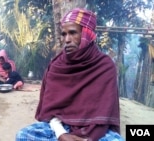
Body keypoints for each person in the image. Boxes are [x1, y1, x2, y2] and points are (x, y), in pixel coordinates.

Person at [15, 8, 124, 141]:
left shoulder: (105, 66)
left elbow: (104, 113)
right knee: (23, 135)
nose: (66, 39)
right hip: (60, 128)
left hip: (95, 131)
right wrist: (61, 134)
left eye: (73, 33)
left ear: (87, 34)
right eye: (64, 34)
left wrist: (87, 139)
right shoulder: (57, 66)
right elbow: (51, 111)